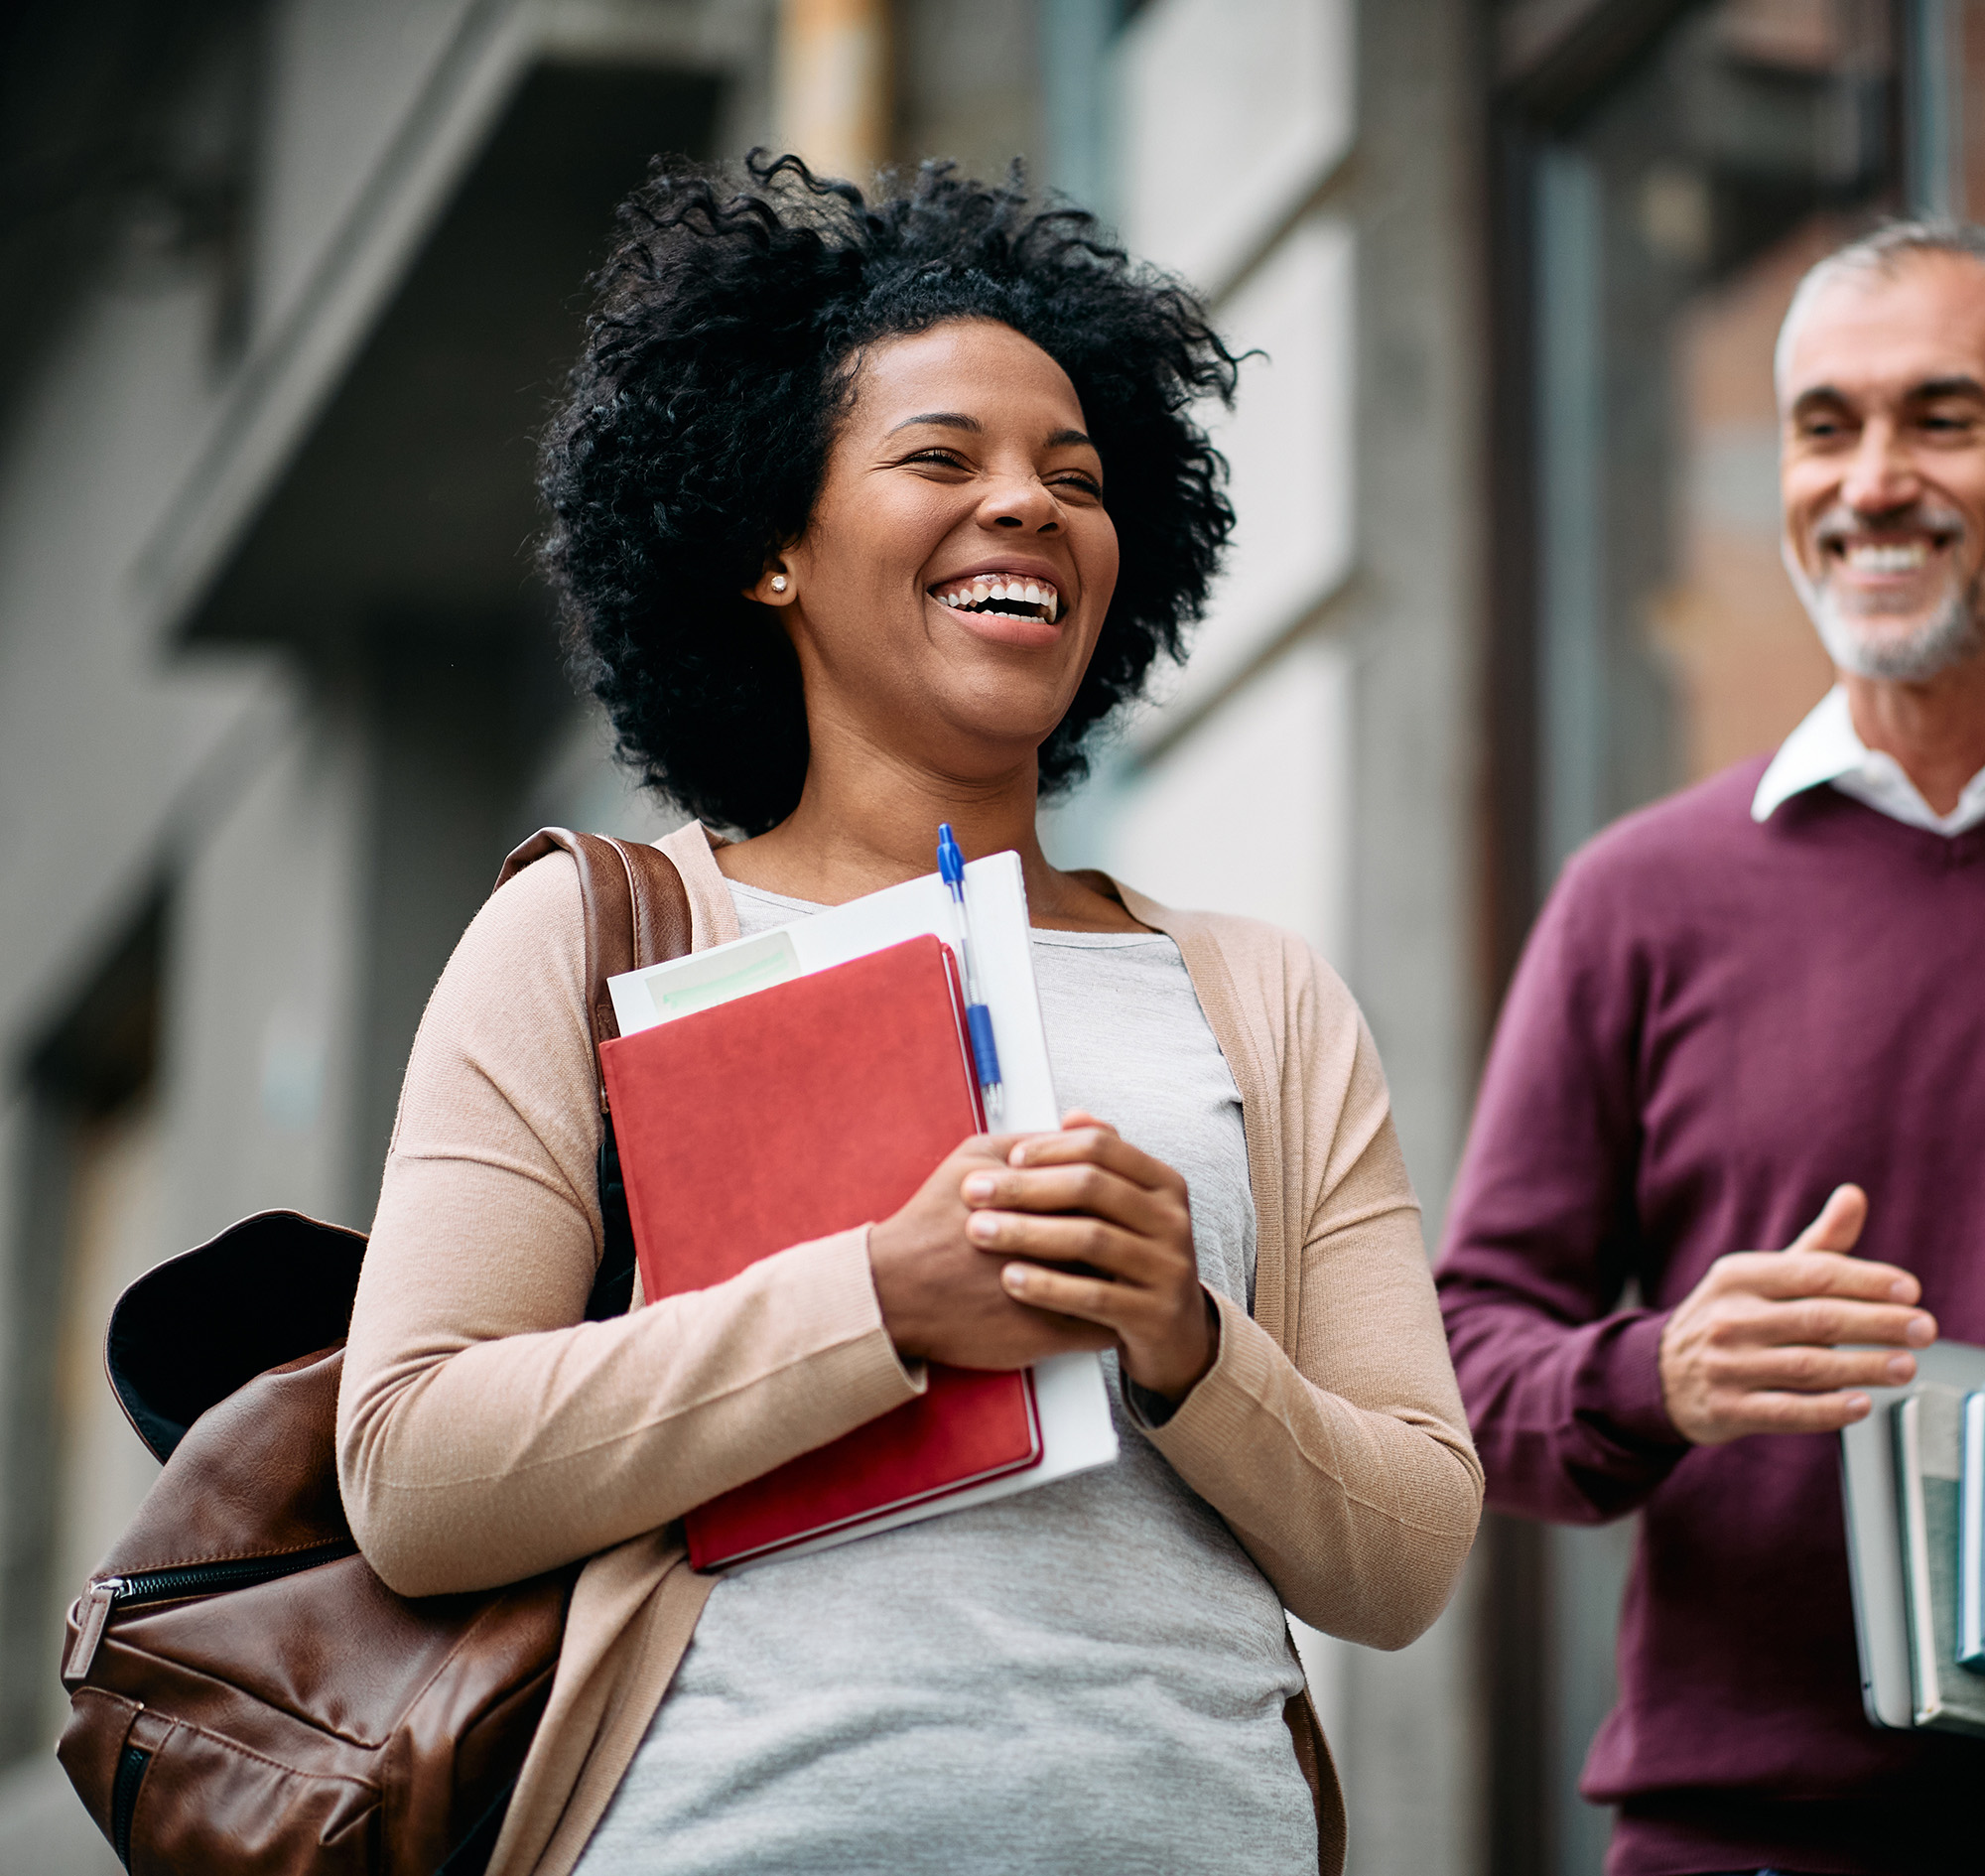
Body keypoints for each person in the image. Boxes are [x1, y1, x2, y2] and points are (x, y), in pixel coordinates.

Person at [335, 154, 1482, 1876]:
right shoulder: (590, 932)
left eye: (1075, 478)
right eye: (940, 458)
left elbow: (1406, 1556)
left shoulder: (1259, 993)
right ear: (773, 547)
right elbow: (414, 1471)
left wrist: (1186, 1335)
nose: (1025, 505)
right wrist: (880, 1298)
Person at [1436, 218, 1985, 1876]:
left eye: (1942, 416)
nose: (1872, 479)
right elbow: (1454, 1359)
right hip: (1753, 1838)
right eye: (1827, 425)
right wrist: (1653, 1374)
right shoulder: (1644, 896)